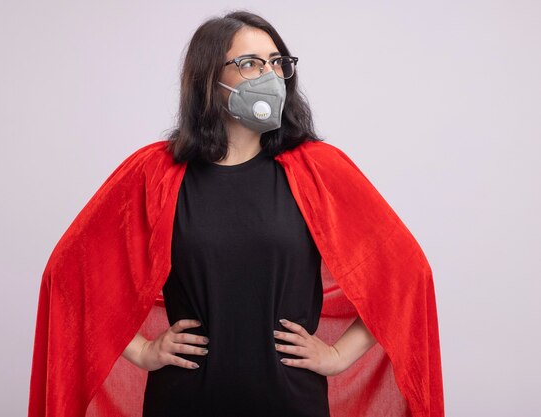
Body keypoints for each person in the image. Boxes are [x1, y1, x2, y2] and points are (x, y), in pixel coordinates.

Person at [27, 10, 444, 417]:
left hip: (290, 403)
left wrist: (337, 355)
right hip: (183, 400)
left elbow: (405, 278)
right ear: (209, 79)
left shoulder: (320, 170)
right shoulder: (154, 174)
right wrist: (142, 350)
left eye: (276, 63)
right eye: (249, 63)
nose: (269, 75)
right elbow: (70, 278)